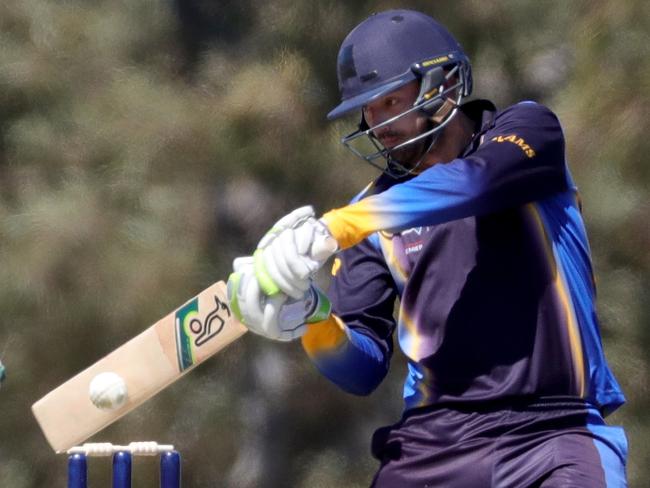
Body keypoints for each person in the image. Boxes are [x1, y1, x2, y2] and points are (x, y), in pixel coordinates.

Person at [227, 9, 628, 487]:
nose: (378, 124)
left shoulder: (527, 134)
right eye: (368, 110)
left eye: (389, 100)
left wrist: (338, 226)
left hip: (554, 431)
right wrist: (312, 320)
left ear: (439, 86)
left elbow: (476, 183)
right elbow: (362, 370)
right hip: (433, 444)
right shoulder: (370, 214)